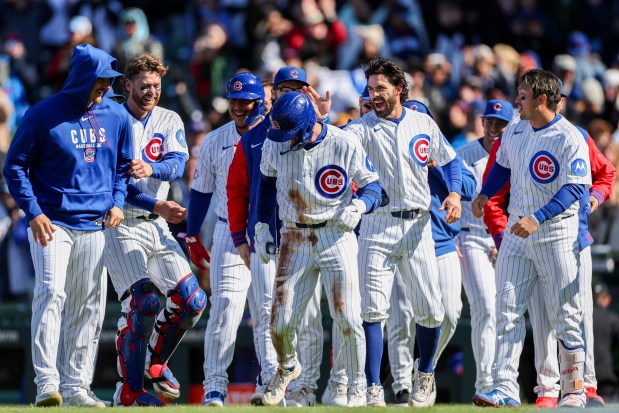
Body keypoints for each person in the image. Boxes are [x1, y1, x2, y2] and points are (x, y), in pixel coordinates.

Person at [2, 44, 132, 407]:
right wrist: (34, 212)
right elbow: (14, 166)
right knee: (50, 295)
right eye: (101, 81)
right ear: (81, 79)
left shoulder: (116, 115)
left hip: (96, 224)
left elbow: (123, 166)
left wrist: (118, 202)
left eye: (109, 81)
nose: (106, 87)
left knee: (88, 306)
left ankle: (76, 386)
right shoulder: (42, 114)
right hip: (51, 223)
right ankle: (47, 383)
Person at [482, 84, 616, 408]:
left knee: (570, 314)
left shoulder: (574, 136)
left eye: (522, 96)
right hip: (521, 233)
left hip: (564, 234)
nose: (516, 101)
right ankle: (517, 388)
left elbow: (591, 181)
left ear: (544, 99)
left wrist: (593, 199)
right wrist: (485, 194)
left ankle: (580, 388)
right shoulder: (514, 133)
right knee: (513, 310)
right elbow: (499, 171)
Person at [346, 56, 462, 407]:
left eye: (381, 87)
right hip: (377, 223)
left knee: (431, 310)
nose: (374, 94)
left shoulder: (422, 122)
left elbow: (450, 159)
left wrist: (454, 192)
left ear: (399, 89)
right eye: (370, 89)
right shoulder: (359, 128)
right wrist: (320, 119)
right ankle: (372, 387)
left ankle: (424, 373)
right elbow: (330, 144)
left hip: (418, 224)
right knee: (372, 311)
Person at [254, 91, 382, 407]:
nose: (285, 138)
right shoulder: (275, 142)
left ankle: (357, 386)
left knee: (348, 318)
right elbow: (266, 184)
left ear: (309, 123)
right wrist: (261, 225)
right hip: (294, 236)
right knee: (280, 322)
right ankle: (286, 368)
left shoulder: (344, 143)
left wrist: (360, 205)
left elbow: (374, 187)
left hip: (335, 234)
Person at [101, 53, 206, 407]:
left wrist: (153, 168)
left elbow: (177, 163)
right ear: (126, 84)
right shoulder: (112, 117)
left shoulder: (168, 117)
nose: (151, 92)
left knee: (192, 300)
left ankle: (154, 363)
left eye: (157, 86)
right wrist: (157, 204)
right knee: (144, 303)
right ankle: (128, 391)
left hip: (156, 224)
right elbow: (116, 182)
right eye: (144, 86)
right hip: (120, 223)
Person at [226, 65, 334, 407]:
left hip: (307, 234)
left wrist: (325, 120)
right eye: (284, 87)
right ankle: (273, 380)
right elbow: (238, 189)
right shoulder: (256, 135)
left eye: (297, 87)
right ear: (272, 92)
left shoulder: (324, 132)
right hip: (269, 236)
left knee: (311, 317)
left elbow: (342, 166)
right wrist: (239, 236)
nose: (289, 92)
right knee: (267, 313)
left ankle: (305, 388)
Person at [387, 99, 476, 406]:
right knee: (402, 319)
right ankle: (401, 387)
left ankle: (425, 367)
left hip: (441, 242)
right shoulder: (393, 149)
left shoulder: (445, 151)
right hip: (404, 239)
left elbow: (470, 186)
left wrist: (436, 167)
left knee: (450, 313)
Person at [185, 71, 265, 406]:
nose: (239, 106)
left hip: (265, 233)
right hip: (226, 231)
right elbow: (200, 193)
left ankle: (269, 385)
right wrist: (191, 233)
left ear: (259, 101)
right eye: (234, 100)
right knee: (226, 308)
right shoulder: (214, 140)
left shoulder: (274, 135)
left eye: (245, 100)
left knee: (267, 311)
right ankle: (215, 386)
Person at [455, 99, 513, 397]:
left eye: (500, 123)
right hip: (471, 236)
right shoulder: (464, 154)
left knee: (506, 312)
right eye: (489, 121)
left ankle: (503, 382)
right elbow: (445, 200)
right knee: (485, 309)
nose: (493, 128)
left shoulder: (515, 154)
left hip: (504, 239)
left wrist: (504, 239)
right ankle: (485, 384)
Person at [592, 282, 619, 402]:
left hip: (580, 382)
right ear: (607, 299)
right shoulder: (612, 319)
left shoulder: (578, 319)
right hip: (607, 381)